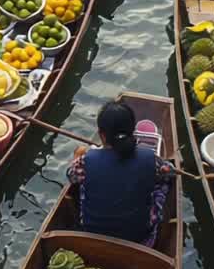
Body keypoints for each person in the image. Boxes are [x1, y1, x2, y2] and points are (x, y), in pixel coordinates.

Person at [67, 99, 176, 245]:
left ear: (102, 135)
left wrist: (78, 155)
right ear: (133, 133)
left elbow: (71, 176)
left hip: (92, 234)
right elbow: (170, 172)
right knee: (163, 183)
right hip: (140, 239)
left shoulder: (86, 160)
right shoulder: (151, 158)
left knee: (83, 180)